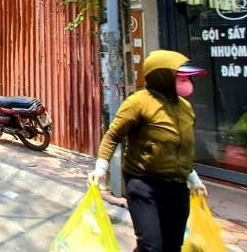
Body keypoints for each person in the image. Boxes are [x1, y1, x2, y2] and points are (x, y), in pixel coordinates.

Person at [88, 50, 209, 252]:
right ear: (162, 78)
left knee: (172, 246)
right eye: (182, 78)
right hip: (143, 183)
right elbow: (113, 135)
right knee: (151, 247)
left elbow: (180, 148)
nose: (188, 83)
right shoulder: (138, 102)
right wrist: (101, 167)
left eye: (188, 79)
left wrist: (193, 179)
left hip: (177, 186)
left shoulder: (186, 108)